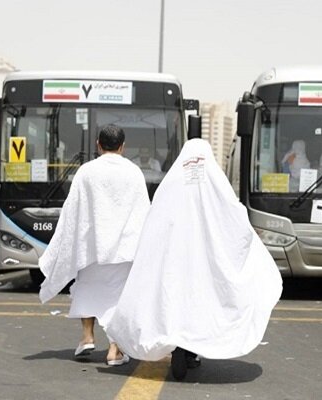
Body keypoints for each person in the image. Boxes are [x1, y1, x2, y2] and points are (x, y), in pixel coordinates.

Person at [105, 138, 283, 380]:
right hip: (204, 260)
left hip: (173, 258)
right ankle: (193, 347)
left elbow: (155, 216)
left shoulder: (172, 181)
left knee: (173, 299)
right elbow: (234, 214)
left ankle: (178, 343)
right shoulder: (214, 180)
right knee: (199, 301)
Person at [38, 124, 150, 366]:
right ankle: (114, 349)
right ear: (123, 146)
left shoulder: (86, 172)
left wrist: (67, 244)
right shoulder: (134, 172)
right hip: (124, 250)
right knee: (119, 299)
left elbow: (73, 209)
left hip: (92, 248)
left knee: (86, 289)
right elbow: (143, 212)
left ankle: (87, 337)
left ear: (98, 144)